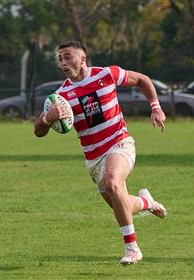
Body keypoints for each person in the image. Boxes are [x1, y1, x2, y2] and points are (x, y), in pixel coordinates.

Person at [34, 41, 167, 265]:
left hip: (119, 143)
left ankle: (132, 249)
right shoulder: (61, 96)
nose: (63, 63)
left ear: (83, 58)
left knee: (113, 183)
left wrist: (156, 107)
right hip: (94, 159)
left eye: (67, 57)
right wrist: (47, 118)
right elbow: (38, 132)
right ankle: (147, 202)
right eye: (60, 59)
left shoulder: (106, 74)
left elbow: (142, 80)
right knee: (121, 202)